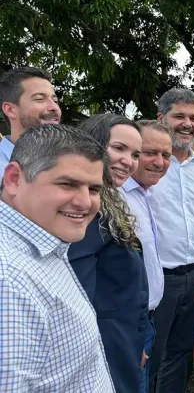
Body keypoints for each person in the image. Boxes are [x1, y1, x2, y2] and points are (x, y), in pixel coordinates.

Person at [0, 124, 114, 391]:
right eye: (67, 184)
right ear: (14, 178)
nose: (86, 203)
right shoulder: (8, 281)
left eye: (94, 189)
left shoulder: (44, 243)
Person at [67, 114, 149, 393]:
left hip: (122, 338)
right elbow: (77, 293)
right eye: (119, 148)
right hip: (100, 345)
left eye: (135, 153)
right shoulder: (82, 211)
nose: (129, 161)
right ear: (93, 146)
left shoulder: (109, 200)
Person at [149, 88, 194, 393]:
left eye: (193, 117)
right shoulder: (147, 168)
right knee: (152, 356)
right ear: (161, 118)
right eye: (179, 116)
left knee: (181, 353)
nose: (187, 124)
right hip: (158, 278)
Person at [120, 120, 173, 393]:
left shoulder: (143, 194)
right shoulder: (117, 200)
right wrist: (128, 334)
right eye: (150, 153)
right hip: (131, 322)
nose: (160, 162)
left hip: (146, 318)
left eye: (166, 155)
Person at [0, 67, 61, 177]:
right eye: (39, 99)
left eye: (55, 101)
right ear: (10, 109)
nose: (54, 107)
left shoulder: (70, 163)